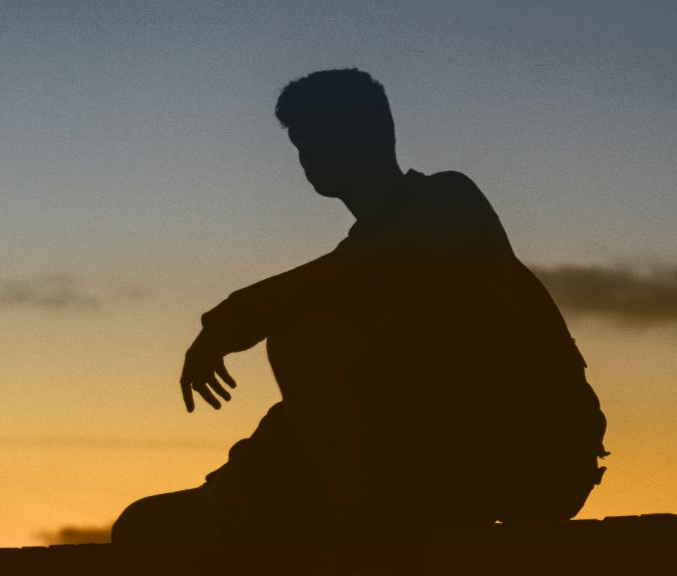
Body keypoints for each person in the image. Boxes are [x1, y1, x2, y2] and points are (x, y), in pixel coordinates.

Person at [112, 69, 607, 566]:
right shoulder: (354, 258)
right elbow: (353, 375)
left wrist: (228, 320)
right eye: (299, 142)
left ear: (371, 132)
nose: (307, 156)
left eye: (318, 136)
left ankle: (362, 543)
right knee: (143, 524)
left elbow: (346, 280)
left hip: (529, 455)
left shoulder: (449, 202)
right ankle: (270, 495)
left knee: (301, 338)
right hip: (420, 456)